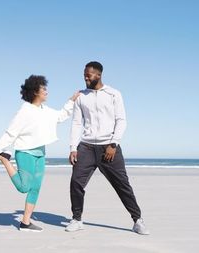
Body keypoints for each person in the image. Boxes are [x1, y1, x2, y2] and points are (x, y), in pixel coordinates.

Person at [65, 61, 150, 235]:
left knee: (122, 185)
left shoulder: (113, 94)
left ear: (99, 75)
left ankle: (137, 220)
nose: (85, 78)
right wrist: (73, 147)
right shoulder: (81, 96)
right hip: (86, 147)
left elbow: (121, 120)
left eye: (88, 75)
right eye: (84, 75)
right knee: (76, 183)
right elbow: (76, 123)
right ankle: (77, 219)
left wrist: (113, 143)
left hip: (109, 147)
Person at [0, 75, 79, 232]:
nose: (47, 91)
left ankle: (25, 222)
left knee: (35, 188)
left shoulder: (45, 110)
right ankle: (5, 160)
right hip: (25, 152)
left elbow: (60, 116)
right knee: (24, 187)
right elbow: (11, 131)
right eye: (43, 88)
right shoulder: (25, 110)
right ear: (34, 91)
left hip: (40, 153)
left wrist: (72, 100)